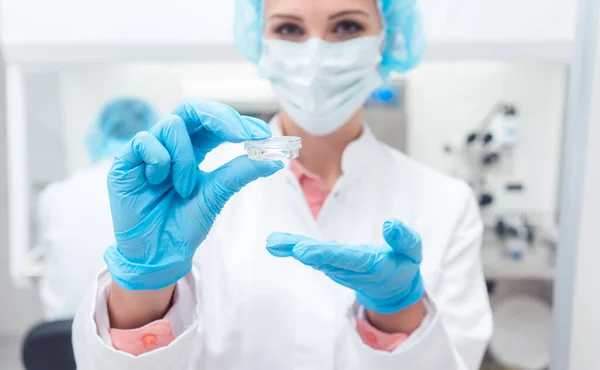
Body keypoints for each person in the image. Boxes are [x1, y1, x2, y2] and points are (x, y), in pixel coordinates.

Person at [73, 0, 493, 369]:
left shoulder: (446, 203)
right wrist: (143, 286)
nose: (315, 54)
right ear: (261, 42)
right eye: (289, 29)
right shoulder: (190, 192)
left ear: (389, 37)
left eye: (346, 26)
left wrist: (399, 314)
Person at [37, 98, 157, 319]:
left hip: (60, 339)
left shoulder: (56, 194)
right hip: (129, 339)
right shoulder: (156, 195)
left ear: (99, 135)